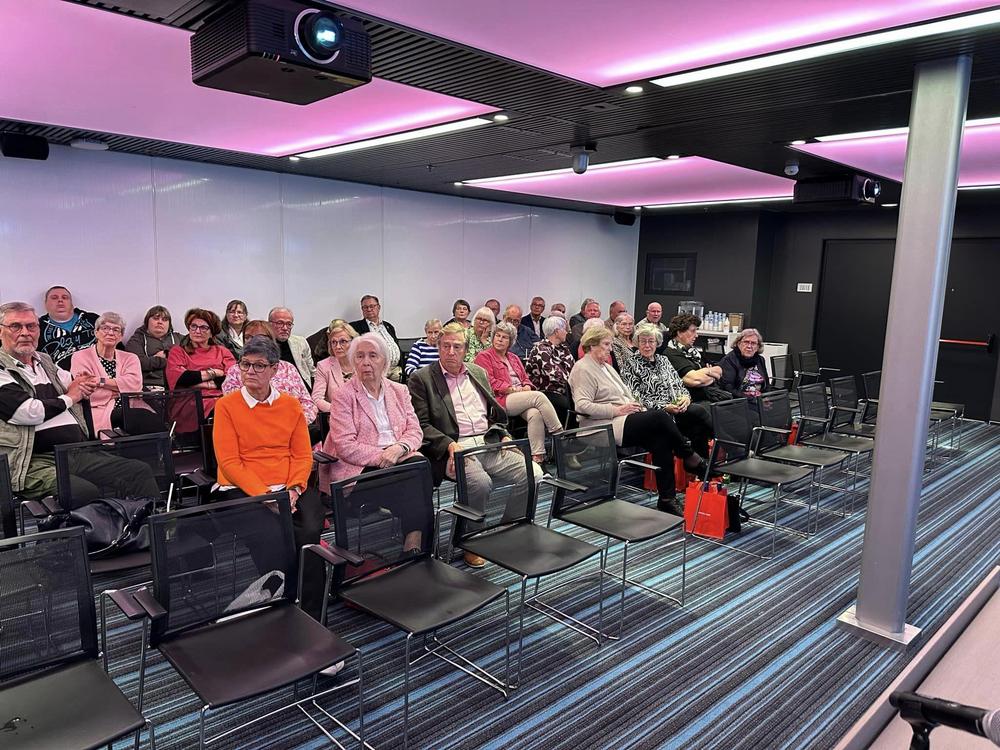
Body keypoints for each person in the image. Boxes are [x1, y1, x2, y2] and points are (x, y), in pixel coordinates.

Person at [211, 336, 326, 621]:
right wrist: (266, 496)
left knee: (309, 533)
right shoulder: (226, 406)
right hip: (244, 488)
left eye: (259, 365)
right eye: (245, 364)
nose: (250, 371)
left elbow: (302, 455)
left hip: (289, 484)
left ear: (275, 369)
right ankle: (281, 609)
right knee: (272, 538)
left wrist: (295, 489)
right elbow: (229, 462)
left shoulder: (290, 405)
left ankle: (313, 615)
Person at [0, 301, 160, 504]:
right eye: (15, 326)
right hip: (33, 460)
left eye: (31, 326)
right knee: (82, 491)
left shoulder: (43, 360)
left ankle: (152, 522)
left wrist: (83, 384)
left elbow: (76, 382)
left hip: (75, 451)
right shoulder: (2, 369)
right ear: (1, 331)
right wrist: (71, 396)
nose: (25, 332)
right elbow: (29, 412)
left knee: (138, 471)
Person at [407, 323, 529, 568]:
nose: (451, 352)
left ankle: (508, 528)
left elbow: (495, 415)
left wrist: (503, 435)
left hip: (487, 441)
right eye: (446, 346)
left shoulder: (477, 372)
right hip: (455, 446)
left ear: (465, 349)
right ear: (438, 347)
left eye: (457, 346)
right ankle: (469, 540)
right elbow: (421, 424)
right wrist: (449, 444)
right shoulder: (422, 378)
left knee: (532, 472)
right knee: (480, 483)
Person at [568, 325, 705, 515]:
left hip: (623, 418)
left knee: (662, 440)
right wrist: (617, 410)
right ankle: (688, 455)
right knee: (659, 416)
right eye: (606, 344)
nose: (610, 349)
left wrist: (636, 407)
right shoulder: (583, 368)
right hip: (600, 426)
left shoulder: (605, 367)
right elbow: (582, 406)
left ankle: (667, 499)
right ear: (592, 345)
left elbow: (626, 396)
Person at [324, 334, 427, 553]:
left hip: (399, 459)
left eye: (373, 356)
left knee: (418, 469)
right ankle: (417, 544)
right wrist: (383, 456)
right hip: (359, 471)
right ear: (353, 362)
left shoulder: (399, 390)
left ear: (385, 361)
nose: (366, 362)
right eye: (360, 356)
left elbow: (415, 430)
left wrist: (399, 448)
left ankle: (414, 542)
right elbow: (345, 446)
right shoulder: (343, 396)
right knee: (418, 474)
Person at [619, 323, 713, 460]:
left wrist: (686, 398)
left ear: (657, 343)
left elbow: (679, 385)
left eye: (651, 341)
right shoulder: (630, 364)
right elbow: (635, 396)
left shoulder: (664, 360)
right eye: (643, 341)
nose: (647, 345)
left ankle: (702, 466)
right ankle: (700, 459)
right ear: (637, 343)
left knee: (698, 425)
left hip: (676, 408)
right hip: (654, 413)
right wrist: (664, 406)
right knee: (696, 413)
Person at [475, 322, 562, 465]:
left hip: (520, 397)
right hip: (500, 400)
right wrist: (512, 389)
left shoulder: (514, 358)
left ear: (510, 341)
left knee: (535, 413)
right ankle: (558, 434)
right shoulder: (484, 356)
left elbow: (525, 378)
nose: (500, 339)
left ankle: (537, 457)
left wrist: (527, 386)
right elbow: (489, 382)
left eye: (504, 337)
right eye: (497, 336)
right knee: (539, 396)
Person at [221, 323, 317, 424]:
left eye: (259, 337)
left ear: (271, 339)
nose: (252, 342)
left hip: (293, 424)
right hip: (253, 426)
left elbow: (308, 403)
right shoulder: (236, 371)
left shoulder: (288, 368)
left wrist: (296, 423)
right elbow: (234, 406)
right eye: (248, 337)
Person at [69, 312, 143, 434]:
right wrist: (120, 390)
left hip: (131, 406)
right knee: (137, 419)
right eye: (105, 328)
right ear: (96, 332)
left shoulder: (131, 358)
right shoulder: (80, 357)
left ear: (121, 336)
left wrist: (100, 381)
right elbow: (85, 391)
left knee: (151, 420)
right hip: (98, 411)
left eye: (116, 330)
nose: (110, 333)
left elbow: (135, 386)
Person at [165, 308, 235, 418]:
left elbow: (232, 379)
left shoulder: (222, 351)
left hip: (222, 398)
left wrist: (196, 382)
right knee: (224, 411)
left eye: (203, 328)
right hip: (190, 400)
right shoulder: (178, 351)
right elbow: (182, 380)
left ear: (211, 333)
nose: (197, 331)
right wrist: (215, 373)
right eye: (193, 326)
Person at [524, 315, 576, 429]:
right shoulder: (541, 349)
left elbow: (575, 369)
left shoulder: (564, 349)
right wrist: (573, 385)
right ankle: (567, 435)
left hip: (566, 390)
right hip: (547, 392)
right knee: (570, 405)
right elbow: (553, 376)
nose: (567, 332)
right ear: (556, 331)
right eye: (564, 329)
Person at [664, 314, 729, 403]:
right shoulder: (671, 353)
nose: (696, 335)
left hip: (707, 395)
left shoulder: (693, 352)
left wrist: (705, 373)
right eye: (693, 331)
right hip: (690, 400)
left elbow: (719, 370)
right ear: (679, 333)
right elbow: (695, 380)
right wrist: (710, 373)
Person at [37, 286, 99, 370]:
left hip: (99, 372)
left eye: (65, 297)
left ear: (71, 303)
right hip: (60, 376)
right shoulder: (37, 328)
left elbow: (114, 342)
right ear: (46, 304)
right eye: (54, 298)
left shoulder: (92, 319)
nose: (60, 300)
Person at [125, 305, 182, 390]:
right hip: (149, 387)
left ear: (169, 324)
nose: (160, 322)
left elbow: (192, 355)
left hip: (178, 386)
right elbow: (136, 363)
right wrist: (164, 360)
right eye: (156, 318)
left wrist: (166, 354)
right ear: (147, 322)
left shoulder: (179, 338)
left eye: (164, 319)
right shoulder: (137, 339)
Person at [349, 295, 402, 382]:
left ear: (378, 307)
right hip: (374, 371)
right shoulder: (355, 327)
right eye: (365, 307)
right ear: (362, 309)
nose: (369, 309)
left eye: (372, 306)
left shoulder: (388, 326)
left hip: (396, 370)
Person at [312, 319, 359, 414]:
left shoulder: (363, 363)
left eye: (343, 341)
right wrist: (338, 410)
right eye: (334, 342)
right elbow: (317, 398)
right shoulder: (323, 366)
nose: (337, 347)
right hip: (337, 416)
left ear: (353, 342)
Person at [267, 307, 315, 390]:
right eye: (280, 323)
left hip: (304, 389)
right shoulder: (262, 346)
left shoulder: (301, 342)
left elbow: (312, 372)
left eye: (289, 324)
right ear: (269, 324)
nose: (285, 328)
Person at [719, 328, 771, 399]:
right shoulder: (728, 360)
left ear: (758, 347)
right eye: (746, 342)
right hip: (738, 401)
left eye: (753, 343)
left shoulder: (760, 360)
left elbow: (767, 384)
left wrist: (766, 398)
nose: (749, 346)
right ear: (738, 344)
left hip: (759, 400)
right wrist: (750, 398)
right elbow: (728, 388)